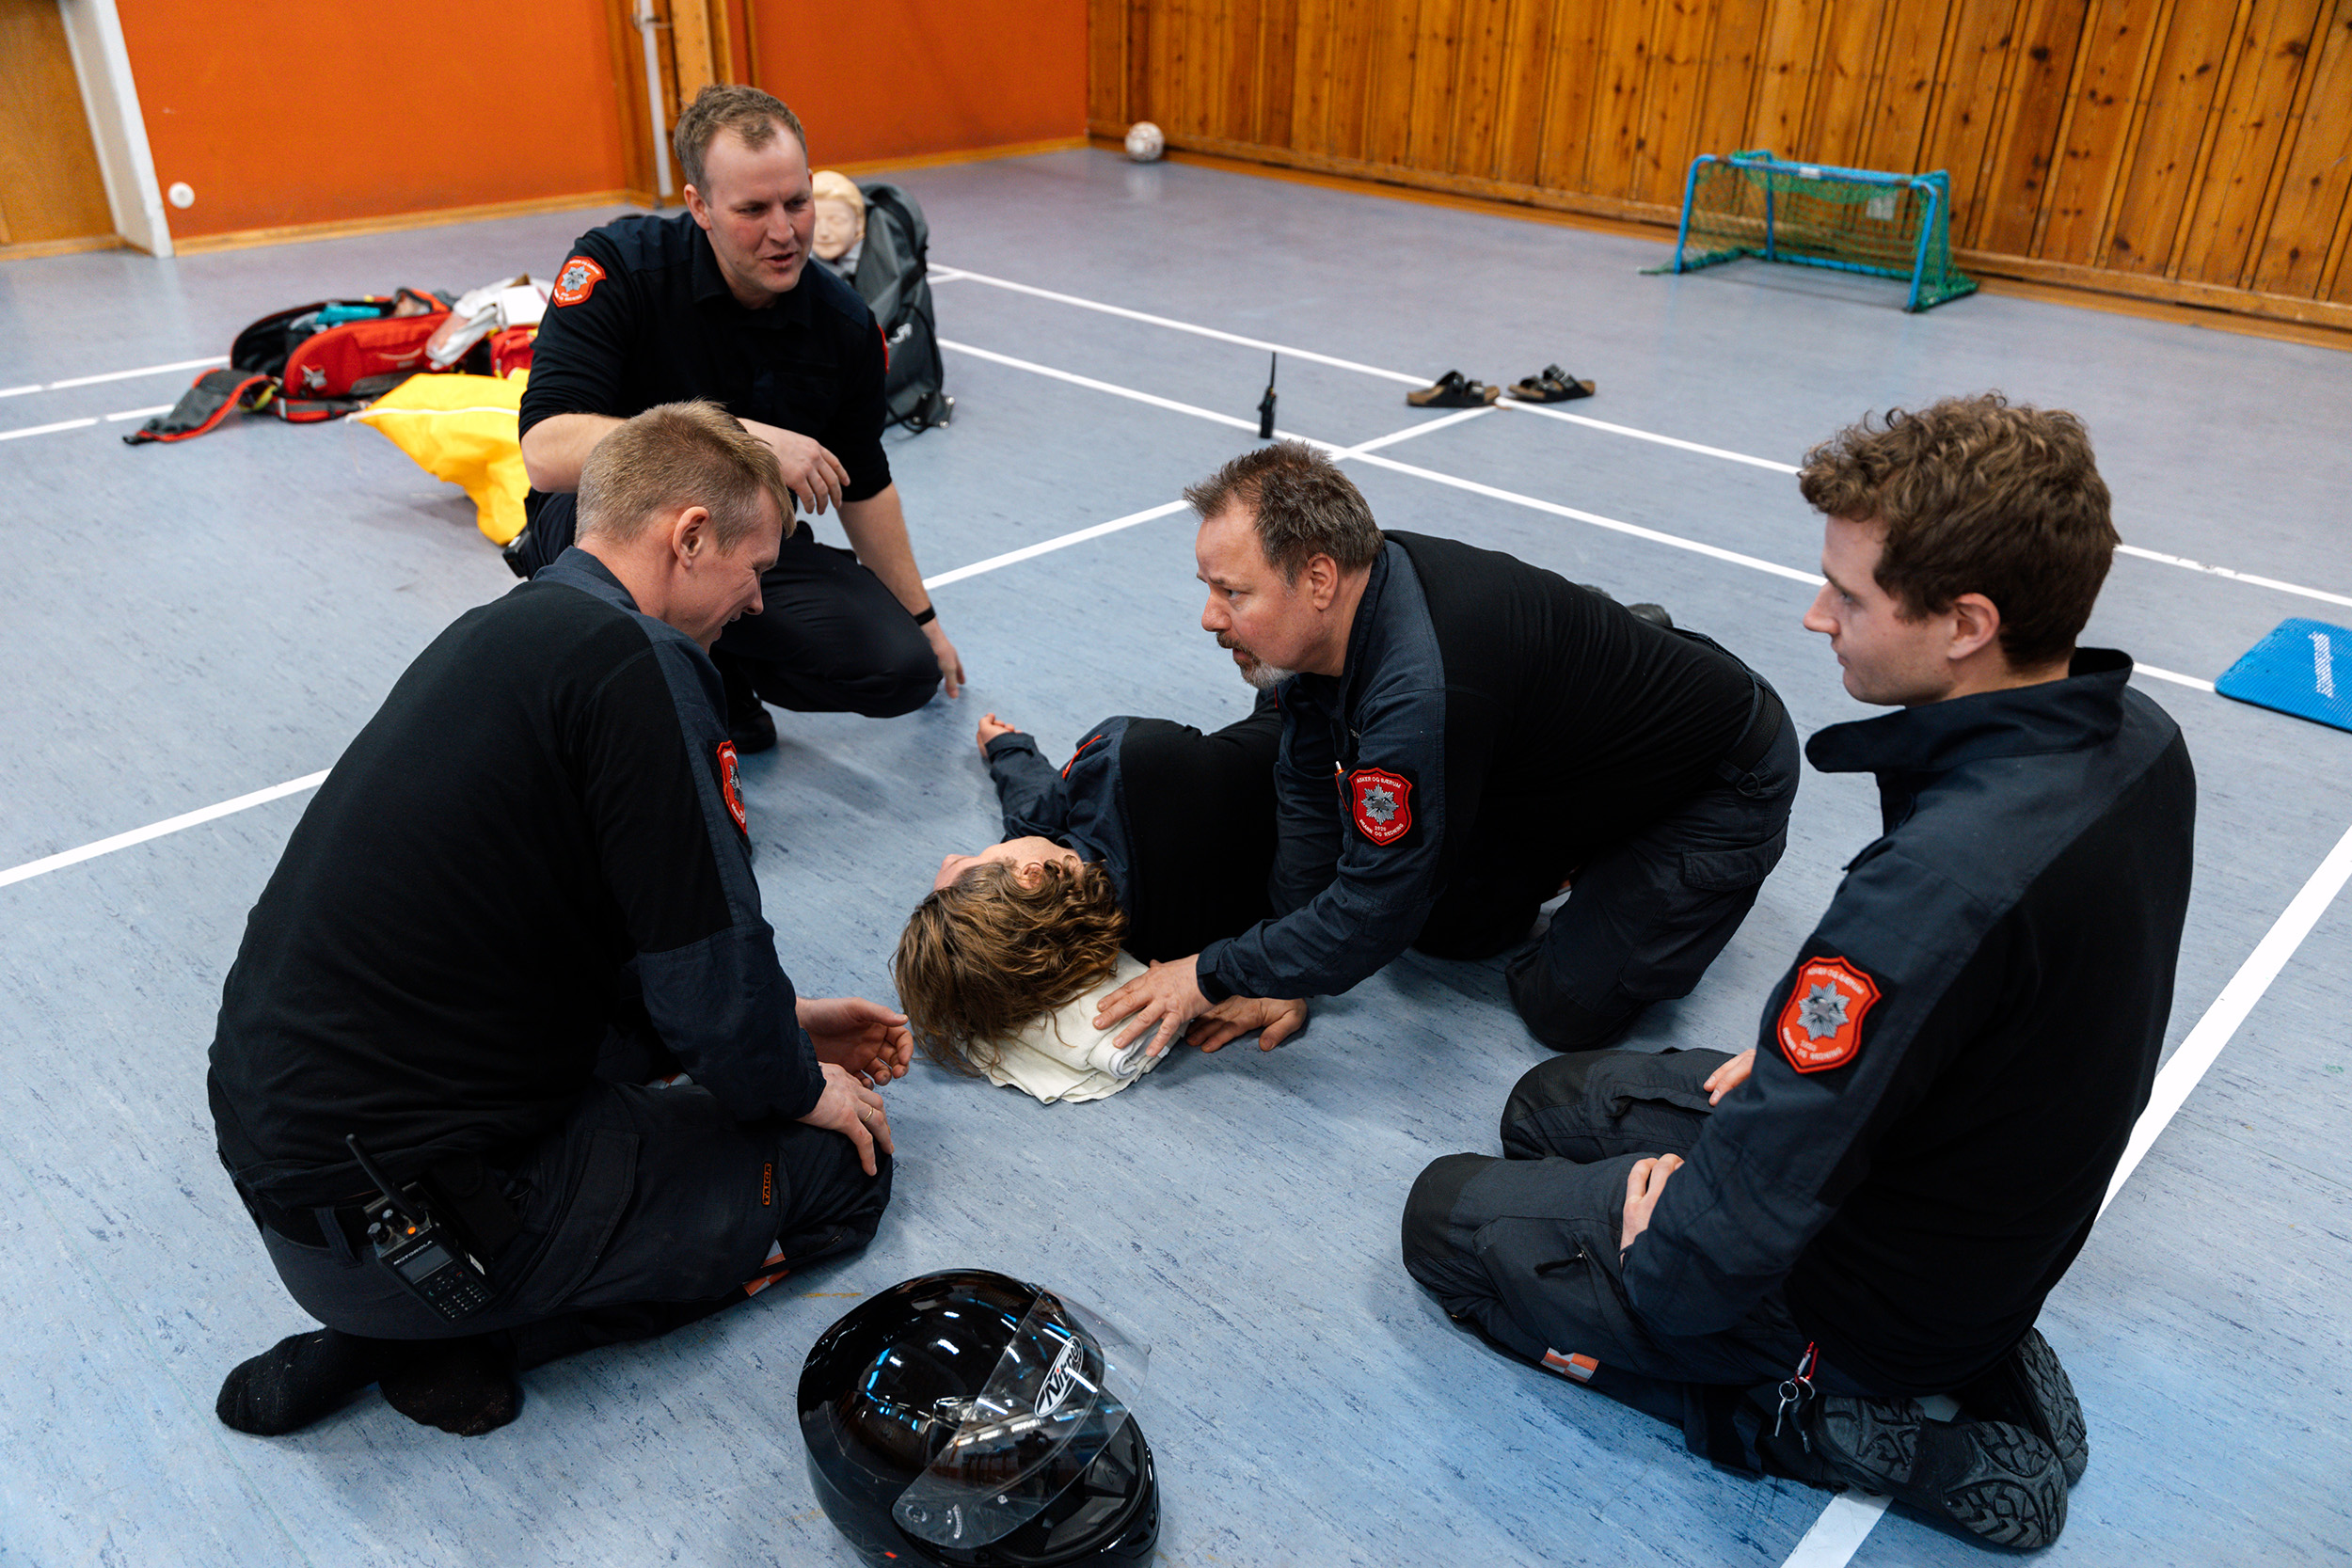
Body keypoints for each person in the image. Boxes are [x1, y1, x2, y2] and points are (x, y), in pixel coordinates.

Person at [1400, 394, 2196, 1550]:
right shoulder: (2137, 737)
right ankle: (1976, 1341)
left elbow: (1756, 1192)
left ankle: (1787, 1410)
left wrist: (1662, 1251)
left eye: (1852, 594)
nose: (1815, 613)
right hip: (1978, 1198)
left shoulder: (1943, 883)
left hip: (1868, 1279)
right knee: (1551, 1104)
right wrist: (1806, 1067)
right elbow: (1974, 1014)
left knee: (1445, 1220)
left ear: (1966, 621)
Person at [207, 403, 912, 1439]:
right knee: (843, 1171)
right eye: (753, 567)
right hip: (431, 1220)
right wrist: (798, 1081)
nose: (759, 602)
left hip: (300, 1184)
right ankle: (463, 1332)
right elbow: (708, 973)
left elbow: (580, 942)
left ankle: (401, 1317)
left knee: (687, 1062)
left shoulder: (510, 629)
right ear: (688, 536)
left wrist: (785, 1022)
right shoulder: (647, 666)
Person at [1096, 441, 1799, 1059]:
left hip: (1718, 778)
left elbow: (1373, 909)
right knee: (1449, 931)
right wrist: (1282, 972)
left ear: (1317, 579)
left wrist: (1209, 972)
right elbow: (1307, 785)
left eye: (1232, 591)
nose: (1210, 616)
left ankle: (1619, 759)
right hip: (1530, 750)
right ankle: (1600, 666)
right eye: (1208, 588)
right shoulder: (1345, 609)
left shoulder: (1418, 690)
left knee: (1565, 1008)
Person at [513, 84, 964, 752]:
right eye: (753, 209)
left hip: (742, 543)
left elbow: (863, 482)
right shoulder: (619, 268)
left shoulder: (844, 327)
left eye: (797, 202)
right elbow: (546, 452)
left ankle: (715, 666)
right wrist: (740, 439)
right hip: (606, 525)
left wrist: (924, 620)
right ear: (699, 205)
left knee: (899, 670)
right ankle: (652, 677)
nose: (784, 233)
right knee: (631, 700)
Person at [894, 698, 1305, 1101]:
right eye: (969, 859)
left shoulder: (1152, 948)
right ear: (1032, 877)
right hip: (1308, 717)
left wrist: (1009, 751)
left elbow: (1035, 816)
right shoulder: (1130, 761)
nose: (949, 857)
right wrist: (1293, 972)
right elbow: (1307, 743)